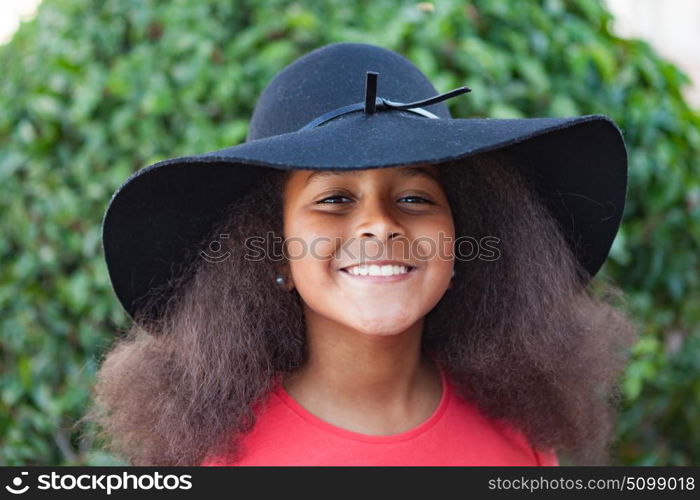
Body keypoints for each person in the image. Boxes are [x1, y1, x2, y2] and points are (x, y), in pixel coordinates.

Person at [83, 42, 638, 466]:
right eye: (334, 198)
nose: (378, 223)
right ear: (276, 251)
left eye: (416, 197)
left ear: (460, 240)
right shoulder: (220, 461)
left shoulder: (520, 443)